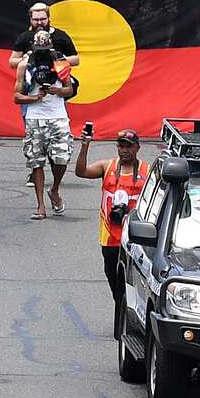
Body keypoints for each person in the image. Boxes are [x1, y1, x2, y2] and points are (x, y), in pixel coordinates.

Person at [74, 128, 148, 307]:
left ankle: (129, 310)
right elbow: (81, 172)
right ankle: (121, 307)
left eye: (129, 147)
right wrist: (85, 146)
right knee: (112, 275)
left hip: (135, 237)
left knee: (132, 278)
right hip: (110, 236)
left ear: (137, 148)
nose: (125, 150)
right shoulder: (107, 167)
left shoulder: (147, 170)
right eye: (121, 146)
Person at [14, 29, 75, 220]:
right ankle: (40, 205)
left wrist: (57, 90)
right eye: (39, 49)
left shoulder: (60, 61)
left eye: (46, 49)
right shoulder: (25, 64)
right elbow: (16, 96)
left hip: (57, 116)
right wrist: (33, 97)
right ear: (33, 47)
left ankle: (54, 189)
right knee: (36, 161)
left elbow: (69, 89)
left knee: (61, 158)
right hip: (35, 117)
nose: (43, 53)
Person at [8, 2, 80, 70]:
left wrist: (57, 60)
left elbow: (76, 60)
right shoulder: (24, 37)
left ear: (48, 18)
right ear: (31, 20)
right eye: (36, 20)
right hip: (32, 79)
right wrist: (27, 59)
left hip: (58, 77)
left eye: (43, 19)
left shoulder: (61, 36)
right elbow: (12, 62)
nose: (39, 23)